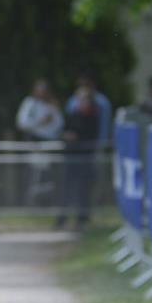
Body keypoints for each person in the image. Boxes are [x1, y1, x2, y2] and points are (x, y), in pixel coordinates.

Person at [56, 88, 100, 231]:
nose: (81, 103)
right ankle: (62, 219)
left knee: (83, 190)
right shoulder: (72, 115)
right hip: (70, 158)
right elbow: (62, 131)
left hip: (85, 159)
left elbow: (91, 135)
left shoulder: (93, 117)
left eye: (84, 100)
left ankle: (82, 219)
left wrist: (77, 137)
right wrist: (67, 136)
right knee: (66, 190)